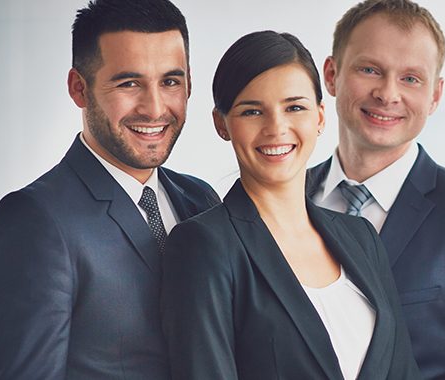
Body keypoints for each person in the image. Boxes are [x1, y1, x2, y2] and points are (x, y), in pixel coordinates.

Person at [0, 0, 219, 378]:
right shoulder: (34, 220)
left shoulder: (201, 200)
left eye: (170, 81)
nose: (155, 108)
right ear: (79, 89)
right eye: (129, 83)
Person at [160, 31, 421, 380]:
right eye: (252, 111)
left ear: (320, 117)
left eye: (294, 107)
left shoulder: (361, 238)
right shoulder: (203, 246)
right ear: (222, 124)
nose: (276, 128)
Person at [304, 0, 445, 378]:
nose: (388, 94)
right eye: (370, 69)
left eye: (411, 78)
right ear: (331, 74)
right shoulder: (282, 200)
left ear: (435, 95)